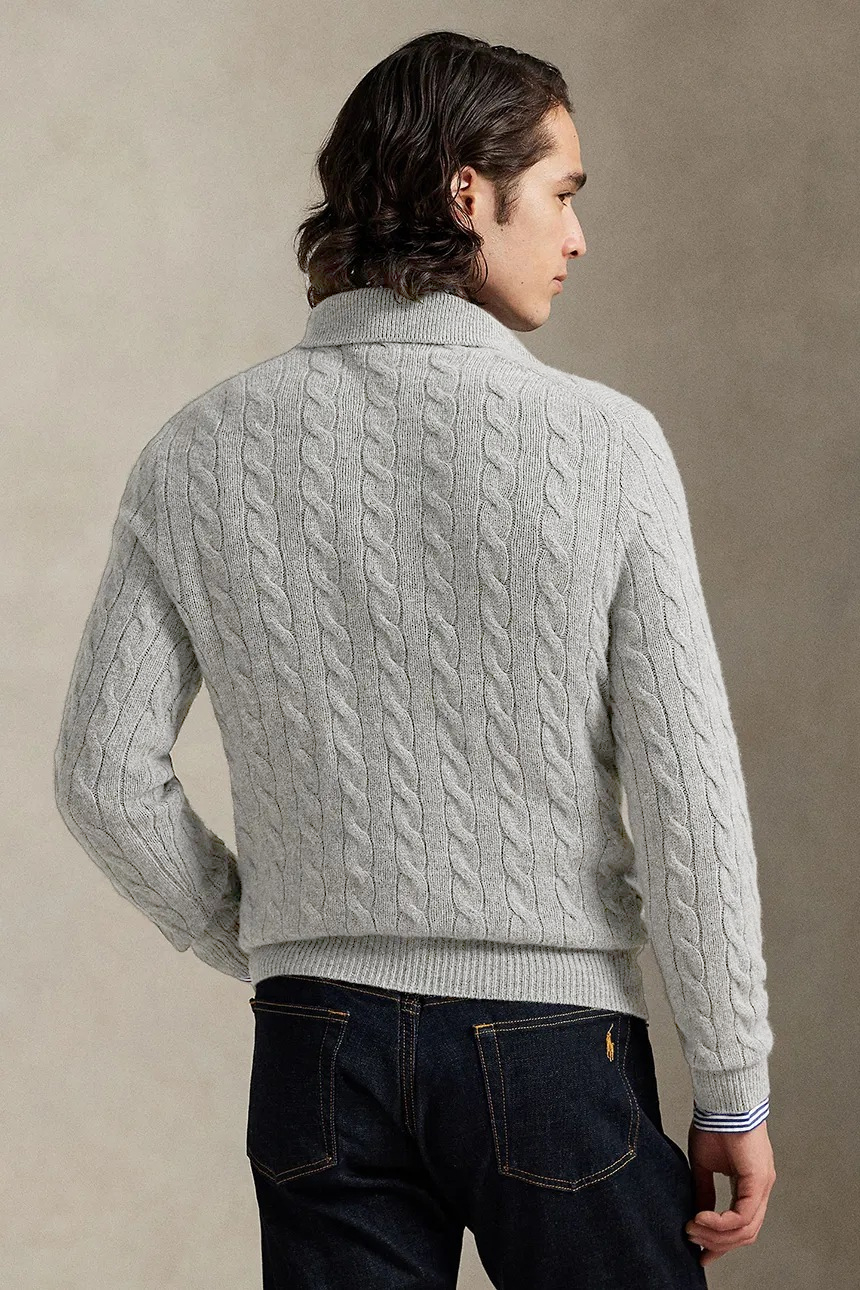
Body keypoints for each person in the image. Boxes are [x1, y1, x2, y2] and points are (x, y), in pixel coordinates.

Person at [53, 29, 777, 1289]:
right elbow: (687, 796)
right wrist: (731, 1083)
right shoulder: (603, 445)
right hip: (553, 1047)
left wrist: (269, 940)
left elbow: (100, 778)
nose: (575, 237)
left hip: (315, 1042)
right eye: (559, 193)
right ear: (466, 193)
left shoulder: (197, 450)